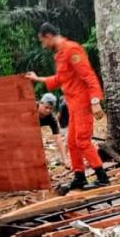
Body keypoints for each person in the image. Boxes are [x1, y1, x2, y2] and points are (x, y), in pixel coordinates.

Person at [25, 22, 110, 189]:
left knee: (83, 140)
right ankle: (79, 176)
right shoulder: (60, 55)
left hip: (83, 102)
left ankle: (102, 177)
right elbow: (60, 79)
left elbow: (89, 76)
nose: (43, 45)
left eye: (43, 41)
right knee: (72, 142)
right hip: (72, 104)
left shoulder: (72, 49)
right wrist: (38, 79)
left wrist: (95, 101)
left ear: (48, 36)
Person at [38, 92, 70, 166]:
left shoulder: (51, 119)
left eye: (51, 108)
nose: (48, 110)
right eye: (46, 107)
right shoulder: (31, 108)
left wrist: (65, 158)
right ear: (40, 103)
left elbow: (58, 139)